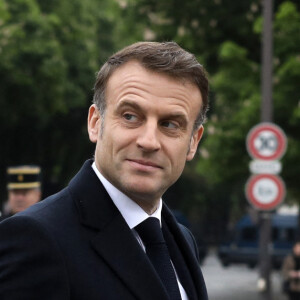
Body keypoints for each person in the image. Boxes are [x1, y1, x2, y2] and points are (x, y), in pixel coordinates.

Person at [0, 41, 209, 300]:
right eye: (131, 116)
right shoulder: (36, 238)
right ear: (95, 123)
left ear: (193, 142)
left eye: (169, 124)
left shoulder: (181, 240)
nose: (149, 141)